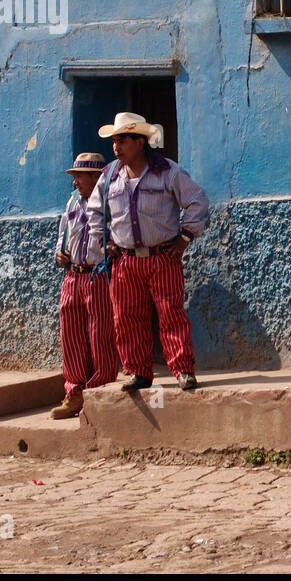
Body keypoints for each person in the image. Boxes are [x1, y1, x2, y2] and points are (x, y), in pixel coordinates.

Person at [86, 113, 209, 391]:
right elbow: (94, 212)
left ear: (140, 142)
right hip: (125, 262)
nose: (116, 146)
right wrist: (103, 242)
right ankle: (139, 372)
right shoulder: (108, 177)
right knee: (127, 318)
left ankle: (182, 370)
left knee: (171, 313)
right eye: (114, 141)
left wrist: (185, 238)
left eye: (122, 140)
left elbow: (197, 201)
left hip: (163, 258)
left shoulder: (168, 171)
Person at [50, 153, 120, 419]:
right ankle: (75, 392)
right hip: (72, 276)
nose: (75, 182)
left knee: (100, 334)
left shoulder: (108, 204)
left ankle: (99, 390)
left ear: (96, 177)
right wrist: (60, 253)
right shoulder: (72, 202)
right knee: (71, 335)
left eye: (80, 176)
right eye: (74, 177)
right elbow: (62, 235)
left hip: (96, 276)